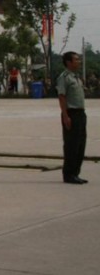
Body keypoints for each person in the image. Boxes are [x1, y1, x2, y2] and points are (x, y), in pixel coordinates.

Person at [57, 52, 88, 185]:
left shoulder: (77, 77)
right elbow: (62, 97)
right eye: (76, 59)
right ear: (68, 62)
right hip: (71, 113)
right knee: (71, 145)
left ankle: (75, 173)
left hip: (81, 114)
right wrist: (65, 115)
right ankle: (69, 174)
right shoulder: (64, 77)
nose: (79, 61)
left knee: (81, 145)